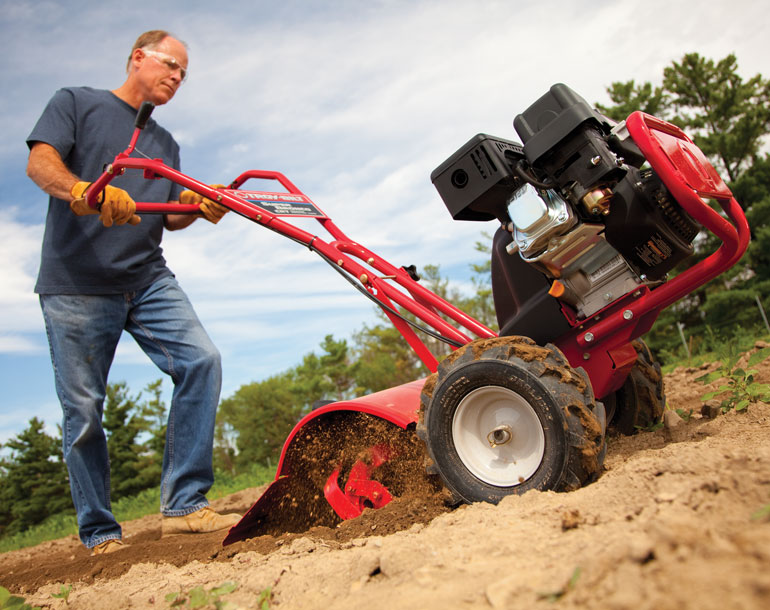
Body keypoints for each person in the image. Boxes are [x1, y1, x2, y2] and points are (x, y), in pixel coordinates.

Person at [25, 30, 240, 555]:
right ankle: (99, 532)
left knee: (202, 360)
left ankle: (184, 504)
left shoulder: (165, 144)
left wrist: (198, 206)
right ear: (138, 58)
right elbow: (41, 164)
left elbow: (169, 218)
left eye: (184, 74)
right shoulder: (76, 102)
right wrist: (81, 189)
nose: (177, 77)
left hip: (146, 279)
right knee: (84, 412)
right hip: (77, 283)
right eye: (171, 64)